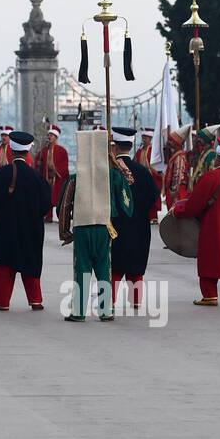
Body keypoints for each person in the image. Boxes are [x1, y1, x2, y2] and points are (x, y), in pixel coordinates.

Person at [58, 130, 133, 322]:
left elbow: (65, 206)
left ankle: (79, 312)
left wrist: (65, 231)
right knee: (103, 268)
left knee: (81, 269)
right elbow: (129, 185)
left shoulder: (75, 178)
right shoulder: (114, 176)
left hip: (82, 228)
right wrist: (115, 161)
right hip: (103, 226)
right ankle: (105, 310)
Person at [173, 136, 220, 305]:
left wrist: (178, 211)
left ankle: (210, 295)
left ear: (217, 158)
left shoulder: (212, 177)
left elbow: (194, 205)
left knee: (210, 260)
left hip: (214, 227)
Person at [0, 130, 50, 310]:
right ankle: (35, 300)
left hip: (7, 228)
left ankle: (2, 302)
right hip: (32, 229)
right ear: (28, 151)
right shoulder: (38, 179)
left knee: (4, 265)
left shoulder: (2, 174)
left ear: (11, 149)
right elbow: (46, 206)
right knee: (30, 262)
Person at [109, 127, 160, 310]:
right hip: (139, 226)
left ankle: (110, 301)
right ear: (131, 146)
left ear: (114, 146)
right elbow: (154, 197)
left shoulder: (110, 171)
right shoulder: (143, 172)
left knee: (115, 267)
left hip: (116, 225)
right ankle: (136, 300)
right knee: (136, 266)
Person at [34, 125, 69, 222]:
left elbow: (64, 167)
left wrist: (55, 169)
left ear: (56, 137)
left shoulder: (62, 151)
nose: (49, 137)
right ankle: (48, 216)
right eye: (49, 135)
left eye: (52, 135)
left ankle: (61, 218)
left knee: (58, 199)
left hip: (57, 178)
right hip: (46, 178)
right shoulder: (43, 151)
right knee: (46, 197)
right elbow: (37, 163)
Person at [134, 128, 163, 223]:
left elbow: (157, 166)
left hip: (152, 177)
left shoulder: (153, 151)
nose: (143, 139)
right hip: (141, 178)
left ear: (150, 139)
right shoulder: (139, 151)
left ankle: (153, 217)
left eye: (145, 138)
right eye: (143, 137)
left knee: (152, 197)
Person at [163, 126, 191, 211]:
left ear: (176, 143)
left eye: (171, 141)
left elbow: (178, 176)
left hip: (177, 192)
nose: (169, 143)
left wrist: (174, 193)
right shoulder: (177, 155)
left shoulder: (179, 157)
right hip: (176, 191)